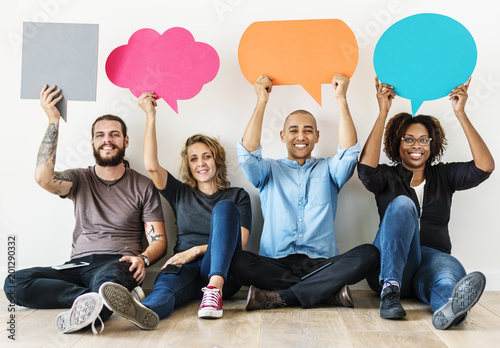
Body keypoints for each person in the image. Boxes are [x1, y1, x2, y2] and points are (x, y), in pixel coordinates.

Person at [3, 85, 167, 334]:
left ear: (125, 141)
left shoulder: (142, 185)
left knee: (106, 283)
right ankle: (102, 301)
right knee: (15, 283)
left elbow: (159, 240)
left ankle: (100, 300)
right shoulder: (79, 179)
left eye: (113, 134)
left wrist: (143, 259)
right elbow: (42, 177)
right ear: (92, 142)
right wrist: (53, 119)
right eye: (100, 135)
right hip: (77, 265)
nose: (107, 140)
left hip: (118, 262)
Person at [98, 92, 252, 325]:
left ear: (217, 160)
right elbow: (151, 166)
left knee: (225, 207)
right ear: (188, 165)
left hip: (223, 272)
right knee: (162, 292)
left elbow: (239, 242)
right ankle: (141, 312)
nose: (200, 163)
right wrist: (150, 115)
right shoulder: (180, 192)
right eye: (193, 159)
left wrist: (195, 251)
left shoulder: (238, 195)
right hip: (183, 267)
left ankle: (213, 293)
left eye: (206, 156)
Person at [229, 74, 379, 311]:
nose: (301, 136)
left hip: (321, 264)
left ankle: (281, 297)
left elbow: (349, 153)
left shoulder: (330, 169)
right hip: (275, 263)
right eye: (294, 130)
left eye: (308, 131)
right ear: (282, 136)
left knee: (370, 254)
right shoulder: (267, 170)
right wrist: (261, 101)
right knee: (234, 259)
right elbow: (247, 154)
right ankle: (324, 292)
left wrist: (341, 98)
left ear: (317, 136)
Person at [358, 77, 494, 329]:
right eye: (408, 139)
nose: (416, 146)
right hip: (390, 262)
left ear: (433, 144)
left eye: (423, 139)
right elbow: (366, 168)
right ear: (397, 143)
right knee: (402, 204)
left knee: (446, 279)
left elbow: (484, 167)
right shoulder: (387, 177)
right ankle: (390, 291)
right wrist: (383, 112)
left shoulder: (444, 176)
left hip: (432, 258)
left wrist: (460, 113)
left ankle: (450, 309)